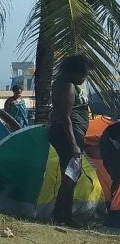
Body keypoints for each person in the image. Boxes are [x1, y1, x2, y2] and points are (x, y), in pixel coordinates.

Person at [49, 54, 92, 226]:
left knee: (71, 175)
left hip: (70, 133)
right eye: (83, 74)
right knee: (71, 176)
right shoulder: (68, 87)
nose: (84, 77)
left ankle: (59, 213)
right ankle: (64, 216)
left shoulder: (62, 82)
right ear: (73, 72)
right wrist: (74, 144)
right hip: (69, 135)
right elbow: (65, 117)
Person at [100, 122, 120, 197]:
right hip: (109, 143)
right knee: (117, 176)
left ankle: (114, 201)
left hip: (109, 142)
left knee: (117, 177)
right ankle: (114, 201)